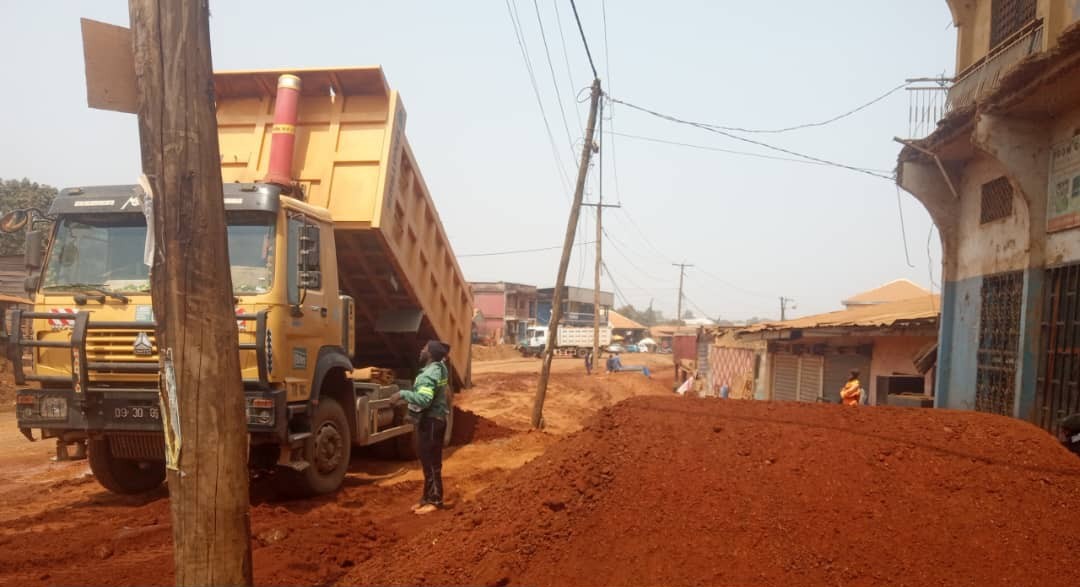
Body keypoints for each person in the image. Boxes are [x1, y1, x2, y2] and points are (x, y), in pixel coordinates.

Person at [390, 340, 451, 515]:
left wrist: (402, 394)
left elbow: (424, 400)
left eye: (424, 348)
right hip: (434, 420)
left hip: (432, 421)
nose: (421, 350)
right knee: (427, 461)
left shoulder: (429, 374)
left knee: (432, 462)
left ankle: (435, 500)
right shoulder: (439, 367)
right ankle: (427, 497)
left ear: (430, 354)